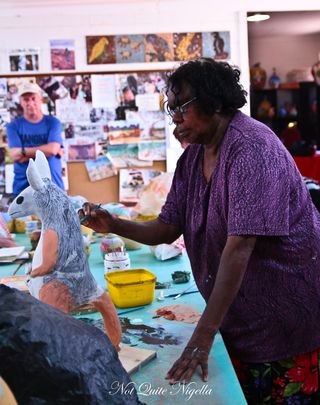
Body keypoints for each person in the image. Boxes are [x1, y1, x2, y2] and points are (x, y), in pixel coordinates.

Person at [79, 58, 320, 404]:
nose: (175, 117)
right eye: (170, 108)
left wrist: (202, 337)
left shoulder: (252, 149)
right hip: (239, 316)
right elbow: (166, 227)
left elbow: (239, 248)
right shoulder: (194, 157)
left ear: (216, 102)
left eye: (182, 106)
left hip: (282, 317)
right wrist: (114, 224)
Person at [6, 82, 64, 196]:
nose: (30, 103)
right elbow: (13, 155)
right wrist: (46, 151)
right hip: (23, 188)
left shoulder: (53, 122)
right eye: (26, 99)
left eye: (34, 98)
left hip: (53, 188)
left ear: (41, 99)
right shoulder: (13, 126)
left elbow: (52, 149)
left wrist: (23, 152)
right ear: (20, 102)